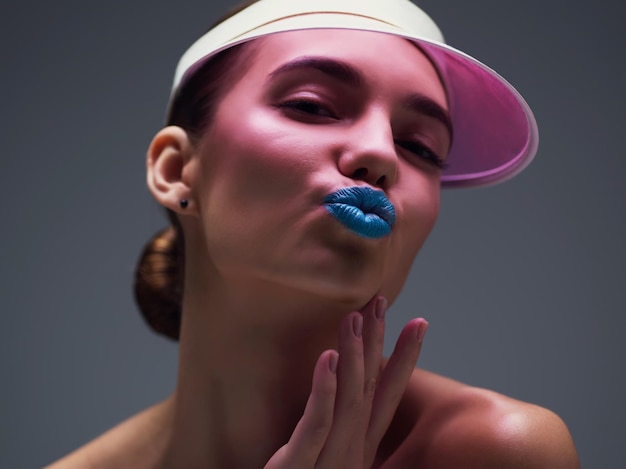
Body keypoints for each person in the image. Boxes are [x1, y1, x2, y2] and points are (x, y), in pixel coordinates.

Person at [47, 0, 580, 467]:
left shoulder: (496, 452)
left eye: (421, 147)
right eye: (311, 106)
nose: (379, 154)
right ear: (175, 170)